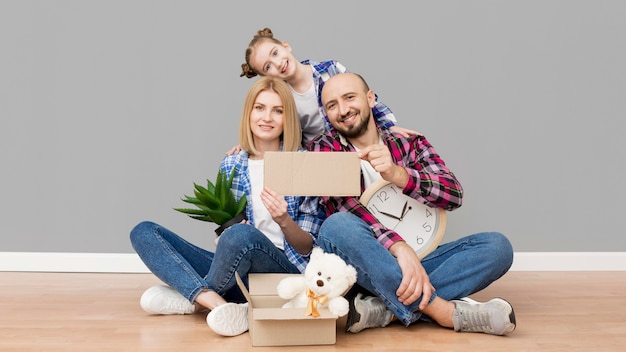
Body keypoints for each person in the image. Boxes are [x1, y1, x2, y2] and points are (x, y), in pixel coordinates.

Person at [308, 72, 516, 336]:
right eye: (332, 105)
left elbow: (453, 194)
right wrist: (400, 248)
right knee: (335, 226)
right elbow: (341, 206)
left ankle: (386, 309)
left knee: (498, 247)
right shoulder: (323, 148)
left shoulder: (410, 143)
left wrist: (399, 175)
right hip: (366, 265)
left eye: (350, 97)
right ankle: (441, 310)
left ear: (370, 98)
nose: (343, 110)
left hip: (423, 258)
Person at [130, 76, 326, 337]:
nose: (267, 117)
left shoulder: (302, 163)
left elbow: (307, 248)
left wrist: (284, 221)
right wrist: (225, 237)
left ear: (287, 118)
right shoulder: (232, 164)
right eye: (260, 108)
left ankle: (193, 299)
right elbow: (230, 229)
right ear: (249, 113)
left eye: (277, 111)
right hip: (238, 274)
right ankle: (215, 303)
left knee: (241, 236)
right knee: (143, 231)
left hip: (282, 272)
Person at [239, 27, 418, 148]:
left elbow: (364, 99)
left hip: (353, 143)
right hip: (320, 155)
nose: (277, 63)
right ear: (267, 76)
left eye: (276, 53)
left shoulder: (330, 69)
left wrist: (388, 126)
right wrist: (251, 145)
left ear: (286, 46)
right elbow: (279, 133)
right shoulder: (283, 97)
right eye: (268, 67)